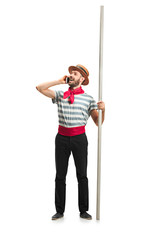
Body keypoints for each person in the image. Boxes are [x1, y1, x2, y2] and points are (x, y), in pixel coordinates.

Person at [36, 64, 105, 220]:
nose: (71, 75)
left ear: (82, 79)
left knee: (82, 175)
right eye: (71, 73)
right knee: (60, 175)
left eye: (75, 74)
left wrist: (103, 109)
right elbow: (39, 88)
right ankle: (59, 211)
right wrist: (58, 81)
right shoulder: (61, 94)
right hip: (61, 138)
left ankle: (83, 210)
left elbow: (98, 122)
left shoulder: (88, 99)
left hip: (80, 139)